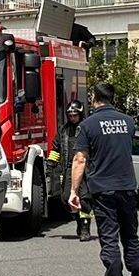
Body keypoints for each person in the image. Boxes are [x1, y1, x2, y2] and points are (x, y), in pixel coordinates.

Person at [68, 83, 139, 276]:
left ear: (94, 98)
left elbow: (80, 159)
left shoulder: (88, 125)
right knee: (131, 238)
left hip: (103, 190)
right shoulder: (128, 122)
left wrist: (74, 191)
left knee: (110, 239)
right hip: (127, 187)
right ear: (113, 98)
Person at [55, 102, 94, 242]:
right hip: (68, 169)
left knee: (84, 199)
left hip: (85, 169)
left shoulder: (86, 129)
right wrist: (51, 163)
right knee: (66, 198)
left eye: (75, 115)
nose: (72, 118)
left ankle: (85, 228)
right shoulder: (63, 130)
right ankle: (78, 220)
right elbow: (56, 148)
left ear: (80, 114)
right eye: (70, 115)